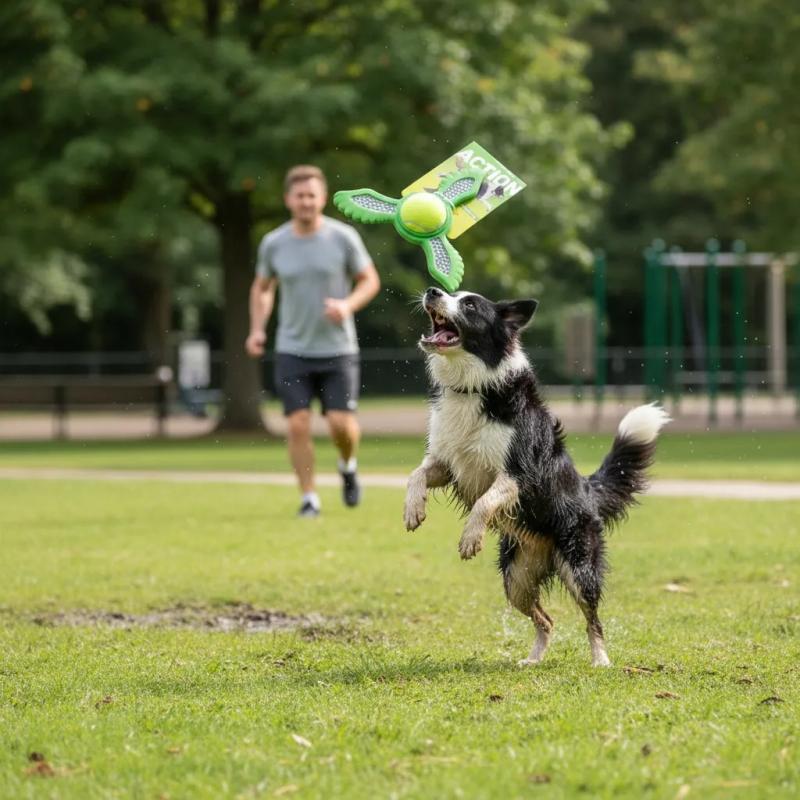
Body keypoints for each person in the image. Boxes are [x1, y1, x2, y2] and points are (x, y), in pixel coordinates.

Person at [246, 165, 381, 518]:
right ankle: (309, 498)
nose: (305, 201)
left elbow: (369, 280)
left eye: (311, 195)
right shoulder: (274, 243)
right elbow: (262, 288)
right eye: (299, 196)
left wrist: (347, 305)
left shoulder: (343, 237)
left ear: (322, 198)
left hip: (338, 348)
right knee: (297, 424)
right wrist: (257, 329)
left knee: (340, 425)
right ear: (288, 200)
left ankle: (347, 465)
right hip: (292, 348)